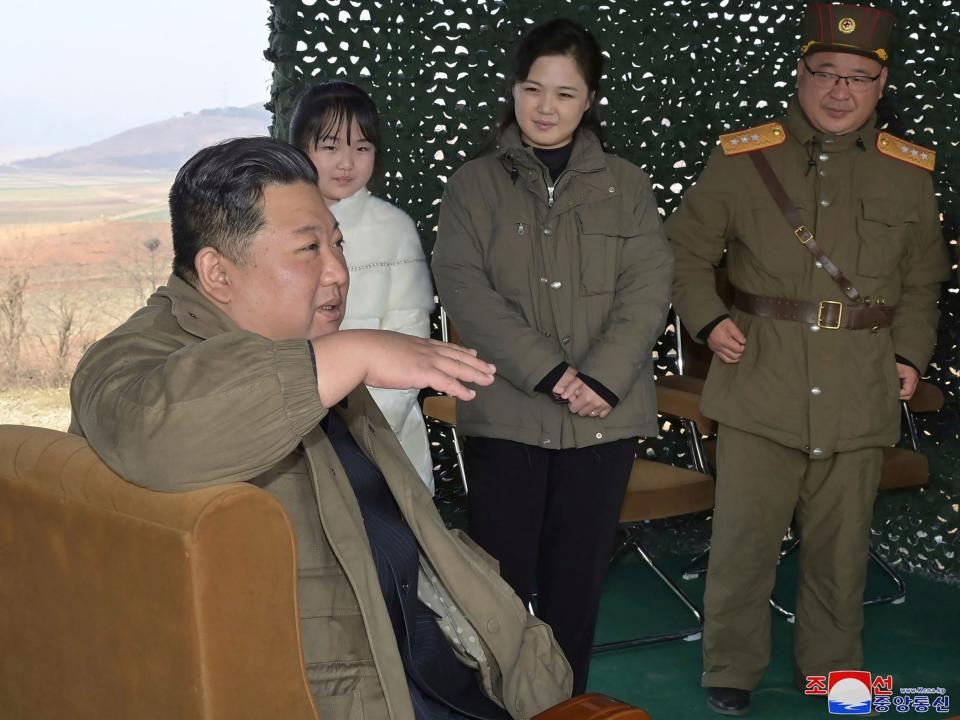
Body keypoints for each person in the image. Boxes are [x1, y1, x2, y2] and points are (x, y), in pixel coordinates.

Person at [69, 137, 573, 720]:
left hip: (429, 663)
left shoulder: (302, 343)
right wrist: (348, 355)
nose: (338, 271)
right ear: (217, 272)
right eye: (308, 249)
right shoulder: (131, 361)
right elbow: (155, 432)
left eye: (337, 242)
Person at [664, 3, 950, 715]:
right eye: (826, 73)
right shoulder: (743, 159)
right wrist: (708, 319)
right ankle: (730, 670)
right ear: (800, 74)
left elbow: (922, 284)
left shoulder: (907, 173)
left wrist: (911, 353)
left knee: (840, 554)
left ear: (880, 86)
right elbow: (684, 254)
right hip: (762, 378)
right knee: (743, 545)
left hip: (859, 385)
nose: (840, 91)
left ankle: (830, 674)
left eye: (858, 77)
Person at [431, 18, 673, 694]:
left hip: (604, 414)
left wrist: (599, 377)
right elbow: (464, 289)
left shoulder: (627, 185)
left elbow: (649, 288)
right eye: (533, 88)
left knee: (577, 587)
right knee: (498, 583)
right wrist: (550, 372)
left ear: (589, 99)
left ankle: (565, 705)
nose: (545, 107)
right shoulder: (473, 185)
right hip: (507, 412)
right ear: (511, 90)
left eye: (565, 94)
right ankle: (496, 704)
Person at [288, 81, 437, 493]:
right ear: (300, 147)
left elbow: (411, 343)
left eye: (362, 148)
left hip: (379, 438)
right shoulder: (272, 226)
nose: (346, 163)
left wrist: (358, 436)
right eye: (331, 146)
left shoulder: (394, 229)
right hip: (289, 431)